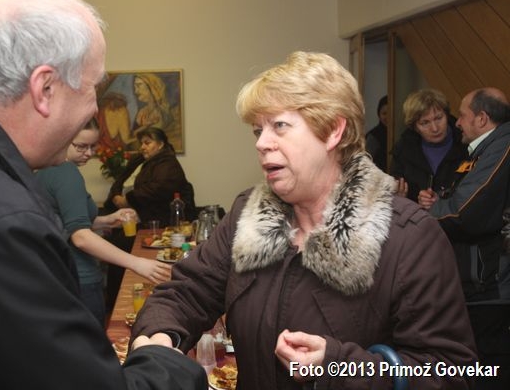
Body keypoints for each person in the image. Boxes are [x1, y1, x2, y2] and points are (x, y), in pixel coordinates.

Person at [0, 0, 207, 389]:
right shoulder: (4, 225)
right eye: (93, 88)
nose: (95, 109)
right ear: (45, 88)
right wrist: (164, 360)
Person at [131, 51, 477, 389]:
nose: (262, 143)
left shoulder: (410, 238)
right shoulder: (247, 215)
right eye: (258, 130)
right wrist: (158, 337)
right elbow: (187, 292)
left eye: (279, 126)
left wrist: (339, 366)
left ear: (333, 131)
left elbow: (453, 373)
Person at [35, 119, 171, 327]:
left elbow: (64, 223)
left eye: (93, 146)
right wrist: (137, 263)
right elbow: (80, 237)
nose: (89, 153)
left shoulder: (44, 169)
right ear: (63, 139)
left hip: (56, 275)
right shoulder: (67, 172)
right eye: (81, 146)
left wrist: (107, 220)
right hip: (80, 276)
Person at [418, 87, 510, 389]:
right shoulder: (482, 150)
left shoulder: (503, 146)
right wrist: (440, 201)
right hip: (478, 283)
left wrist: (424, 214)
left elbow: (464, 211)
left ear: (482, 119)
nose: (456, 122)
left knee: (488, 370)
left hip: (491, 285)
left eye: (462, 115)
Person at [105, 126, 196, 227]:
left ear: (160, 145)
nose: (142, 147)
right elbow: (119, 180)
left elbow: (157, 188)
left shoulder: (168, 164)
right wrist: (116, 196)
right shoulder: (137, 161)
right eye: (141, 143)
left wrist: (127, 199)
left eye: (147, 143)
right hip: (126, 216)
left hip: (154, 221)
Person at [390, 88, 467, 202]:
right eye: (425, 123)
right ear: (415, 127)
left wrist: (441, 203)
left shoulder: (466, 143)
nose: (435, 128)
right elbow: (396, 196)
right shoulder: (403, 150)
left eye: (439, 118)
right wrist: (402, 200)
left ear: (447, 115)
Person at [365, 95, 388, 171]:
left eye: (390, 113)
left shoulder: (398, 133)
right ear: (379, 115)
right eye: (384, 113)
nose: (387, 116)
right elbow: (366, 163)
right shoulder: (373, 136)